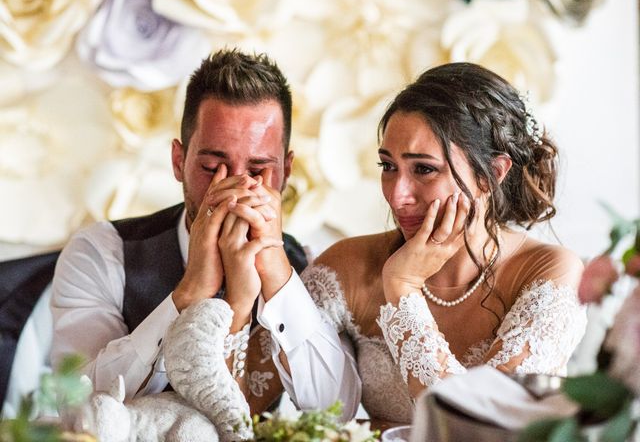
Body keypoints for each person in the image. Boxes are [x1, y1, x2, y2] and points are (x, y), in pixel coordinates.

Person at [252, 62, 588, 424]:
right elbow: (253, 398)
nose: (397, 196)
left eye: (424, 169)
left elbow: (477, 427)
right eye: (388, 167)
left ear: (492, 173)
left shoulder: (549, 272)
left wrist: (402, 287)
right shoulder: (348, 265)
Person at [50, 49, 360, 414]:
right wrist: (191, 292)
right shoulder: (102, 251)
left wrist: (276, 272)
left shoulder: (308, 265)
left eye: (259, 169)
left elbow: (338, 410)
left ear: (286, 171)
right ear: (179, 161)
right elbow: (77, 406)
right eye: (212, 166)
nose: (234, 187)